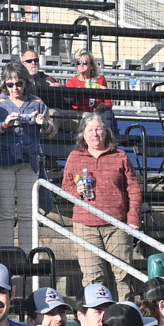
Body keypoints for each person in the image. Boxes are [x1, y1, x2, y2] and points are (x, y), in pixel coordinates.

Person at [61, 111, 143, 301]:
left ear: (106, 132)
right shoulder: (74, 157)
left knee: (122, 276)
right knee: (93, 278)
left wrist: (133, 220)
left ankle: (126, 316)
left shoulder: (120, 156)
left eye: (99, 129)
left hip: (118, 225)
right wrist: (77, 192)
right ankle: (97, 319)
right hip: (85, 226)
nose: (95, 134)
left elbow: (134, 190)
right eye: (90, 130)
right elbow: (66, 187)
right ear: (83, 134)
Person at [0, 63, 49, 250]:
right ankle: (7, 256)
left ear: (26, 82)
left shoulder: (37, 103)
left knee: (28, 213)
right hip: (3, 161)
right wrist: (4, 125)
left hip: (28, 162)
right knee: (5, 212)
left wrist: (43, 123)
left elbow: (51, 131)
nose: (15, 88)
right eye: (10, 84)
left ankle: (27, 258)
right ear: (4, 84)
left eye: (19, 83)